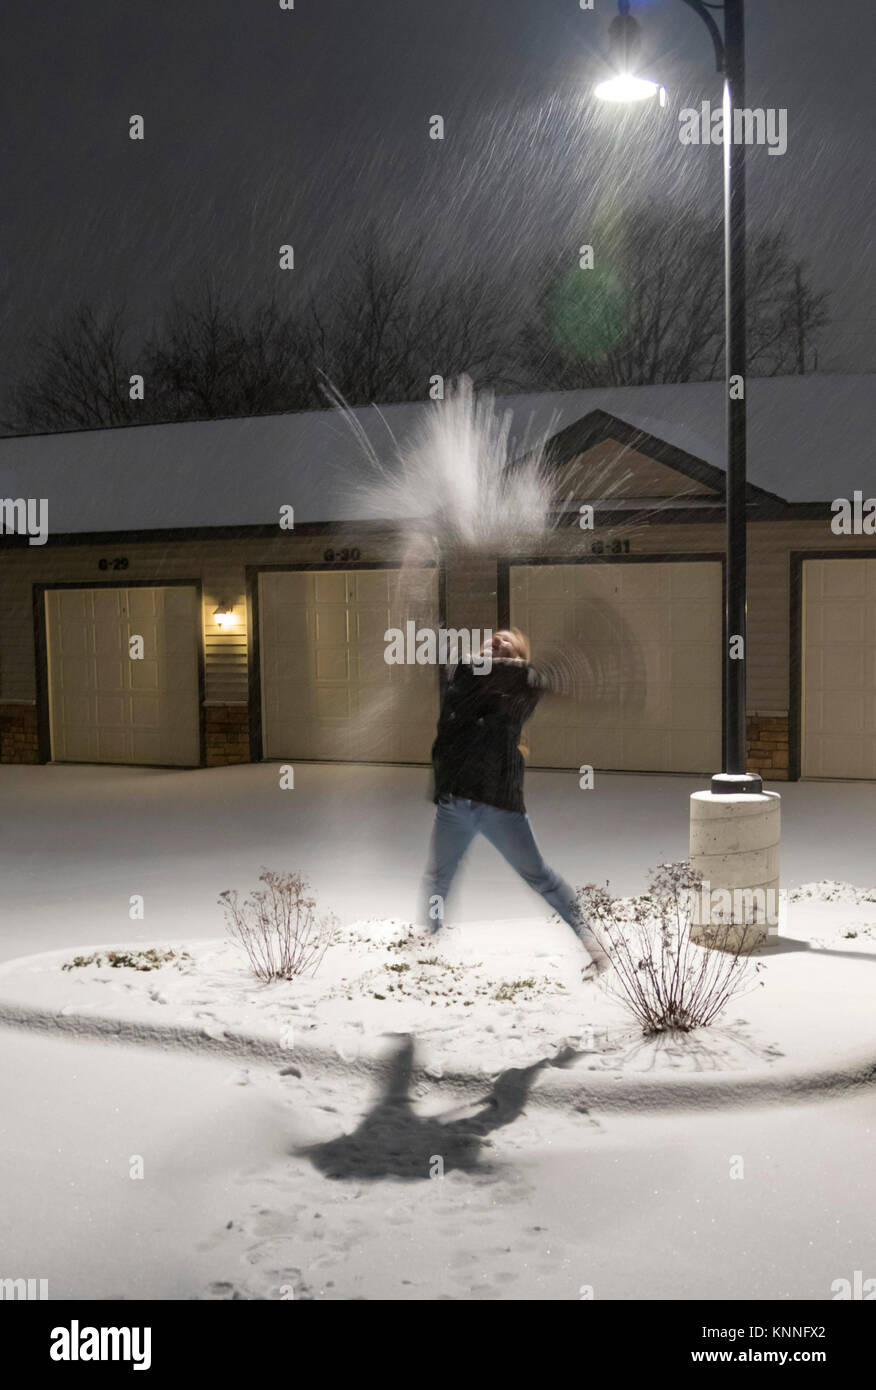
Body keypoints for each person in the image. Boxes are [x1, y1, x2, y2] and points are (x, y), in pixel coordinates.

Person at [421, 627, 610, 978]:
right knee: (438, 880)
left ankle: (594, 948)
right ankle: (427, 951)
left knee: (542, 878)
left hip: (500, 806)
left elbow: (521, 678)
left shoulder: (520, 688)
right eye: (492, 638)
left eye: (506, 640)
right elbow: (469, 673)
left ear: (520, 657)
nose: (496, 640)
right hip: (456, 803)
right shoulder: (466, 674)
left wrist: (527, 668)